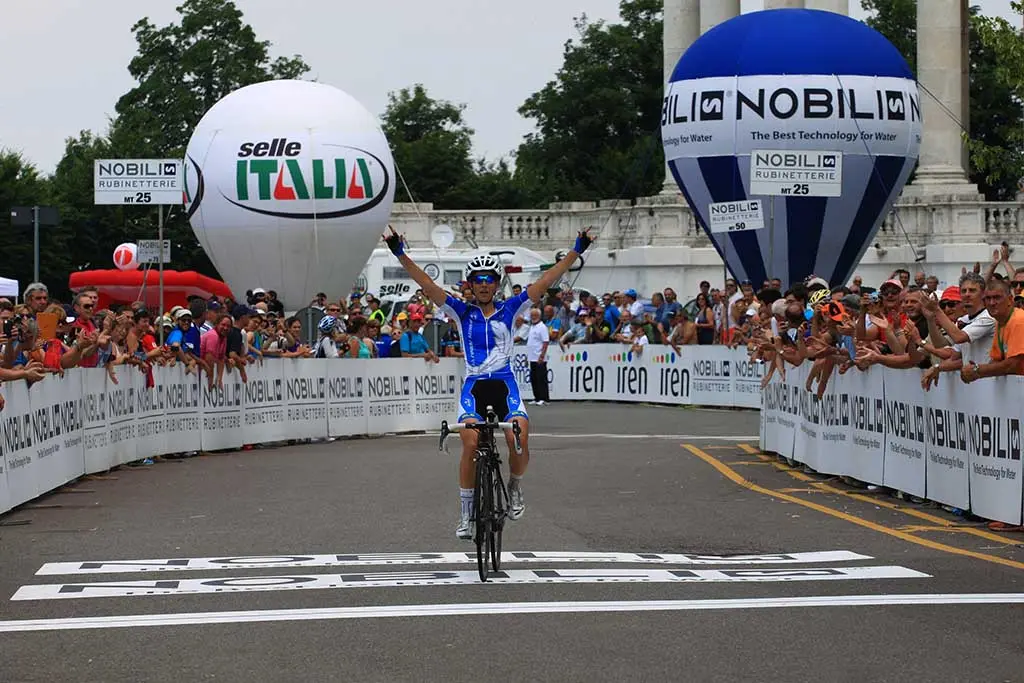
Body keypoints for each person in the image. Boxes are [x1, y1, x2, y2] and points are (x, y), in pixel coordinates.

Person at [384, 224, 594, 539]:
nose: (484, 285)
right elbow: (426, 285)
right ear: (470, 285)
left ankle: (515, 486)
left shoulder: (511, 308)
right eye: (478, 280)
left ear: (496, 284)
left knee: (519, 437)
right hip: (475, 386)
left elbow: (546, 280)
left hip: (505, 385)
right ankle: (467, 513)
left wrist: (577, 249)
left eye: (490, 280)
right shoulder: (460, 311)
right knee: (469, 443)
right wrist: (400, 253)